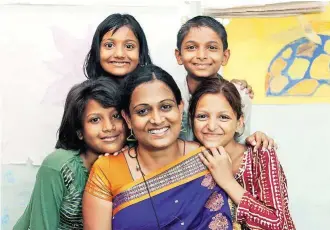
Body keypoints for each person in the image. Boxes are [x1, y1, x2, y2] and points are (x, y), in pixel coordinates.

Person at [83, 65, 233, 230]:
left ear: (180, 107)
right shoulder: (107, 170)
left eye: (166, 107)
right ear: (128, 118)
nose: (156, 119)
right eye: (142, 111)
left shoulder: (210, 158)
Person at [13, 77, 127, 230]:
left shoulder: (132, 161)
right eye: (95, 120)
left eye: (116, 116)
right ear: (80, 132)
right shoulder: (60, 166)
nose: (109, 127)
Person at [189, 77, 295, 230]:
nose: (211, 126)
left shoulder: (260, 155)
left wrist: (227, 182)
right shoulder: (190, 160)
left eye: (223, 117)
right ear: (192, 120)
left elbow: (276, 224)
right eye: (202, 116)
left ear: (239, 123)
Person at [175, 16, 275, 151]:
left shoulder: (239, 94)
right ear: (179, 56)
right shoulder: (170, 95)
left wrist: (256, 138)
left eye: (211, 47)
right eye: (192, 47)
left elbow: (241, 140)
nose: (202, 55)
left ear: (225, 56)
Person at [84, 13, 152, 82]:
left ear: (140, 52)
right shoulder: (84, 92)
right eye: (109, 45)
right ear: (97, 50)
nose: (119, 54)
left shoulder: (153, 91)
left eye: (129, 46)